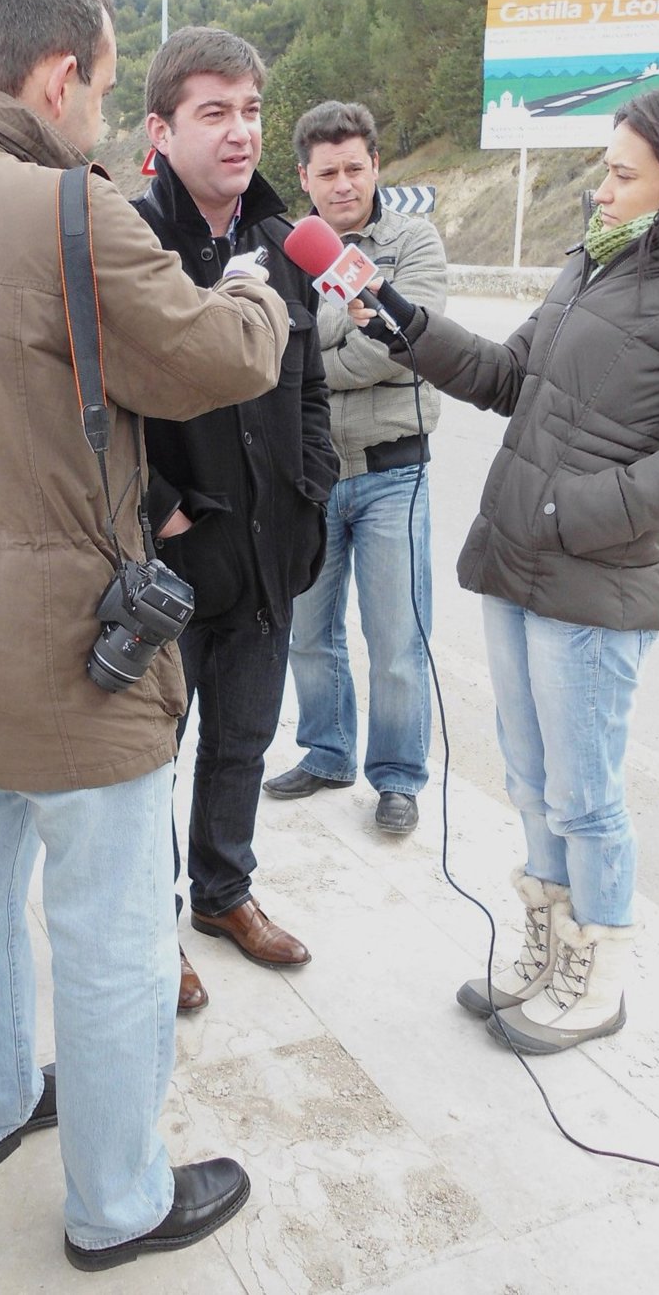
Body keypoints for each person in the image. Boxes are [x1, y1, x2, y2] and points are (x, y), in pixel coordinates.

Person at [0, 0, 293, 1271]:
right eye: (99, 85)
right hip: (72, 641)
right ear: (56, 76)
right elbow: (214, 357)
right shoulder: (64, 210)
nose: (98, 112)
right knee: (112, 932)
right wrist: (255, 289)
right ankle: (117, 1201)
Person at [347, 78, 659, 1054]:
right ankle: (549, 948)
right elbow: (510, 377)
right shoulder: (603, 255)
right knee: (530, 778)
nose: (602, 187)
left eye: (622, 174)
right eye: (605, 167)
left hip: (594, 580)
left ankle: (598, 976)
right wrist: (406, 326)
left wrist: (570, 510)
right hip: (519, 561)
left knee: (585, 797)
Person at [134, 28, 338, 1012]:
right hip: (173, 562)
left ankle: (224, 893)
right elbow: (93, 409)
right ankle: (151, 924)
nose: (240, 132)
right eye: (213, 112)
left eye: (251, 110)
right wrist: (160, 510)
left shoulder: (286, 242)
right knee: (149, 762)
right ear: (160, 129)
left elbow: (311, 384)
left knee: (244, 740)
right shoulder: (133, 244)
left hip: (270, 552)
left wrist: (314, 480)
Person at [264, 100, 447, 835]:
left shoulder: (413, 242)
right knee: (309, 633)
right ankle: (327, 751)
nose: (343, 184)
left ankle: (397, 777)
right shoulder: (280, 249)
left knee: (397, 640)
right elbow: (265, 347)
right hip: (310, 475)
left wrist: (309, 361)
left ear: (376, 166)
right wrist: (343, 332)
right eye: (327, 172)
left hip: (392, 472)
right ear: (304, 177)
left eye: (355, 168)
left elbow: (402, 344)